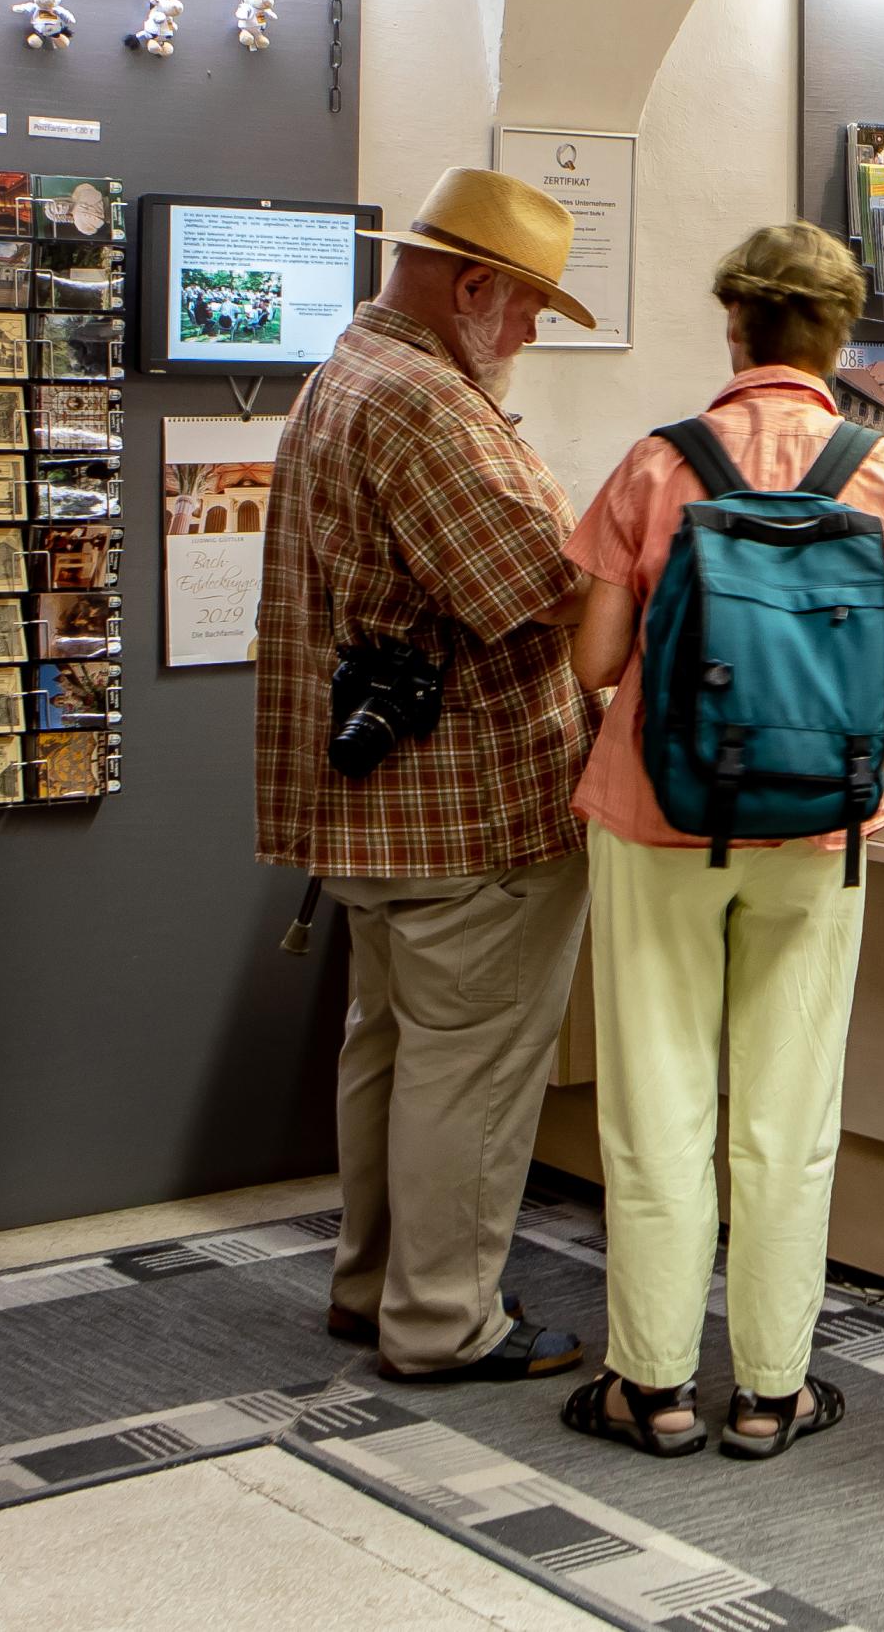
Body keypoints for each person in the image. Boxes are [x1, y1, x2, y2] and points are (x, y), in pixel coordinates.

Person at [559, 221, 884, 1459]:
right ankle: (771, 1391)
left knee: (655, 1111)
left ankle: (650, 1386)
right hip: (819, 818)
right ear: (835, 334)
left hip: (658, 810)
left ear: (734, 326)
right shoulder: (879, 467)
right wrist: (844, 620)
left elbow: (595, 658)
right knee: (787, 1117)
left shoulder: (660, 462)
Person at [255, 166, 604, 1384]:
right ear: (471, 289)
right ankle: (444, 1320)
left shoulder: (348, 369)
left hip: (378, 807)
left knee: (392, 1049)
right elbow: (542, 590)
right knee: (473, 1069)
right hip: (470, 806)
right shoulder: (431, 406)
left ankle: (374, 1287)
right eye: (529, 308)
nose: (529, 334)